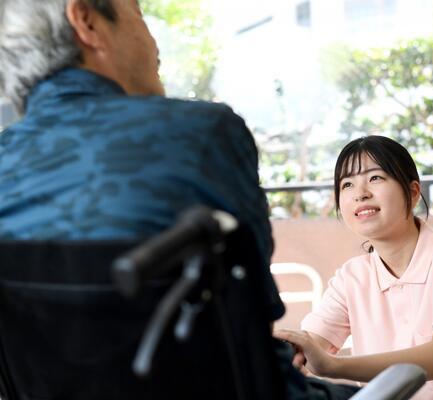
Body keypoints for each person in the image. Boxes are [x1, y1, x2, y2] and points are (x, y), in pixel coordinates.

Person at [0, 1, 359, 399]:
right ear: (86, 20)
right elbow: (255, 318)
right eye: (138, 13)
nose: (154, 43)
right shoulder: (201, 135)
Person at [275, 136, 433, 399]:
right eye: (347, 184)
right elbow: (310, 344)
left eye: (375, 178)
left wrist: (334, 366)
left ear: (412, 192)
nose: (360, 193)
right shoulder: (352, 277)